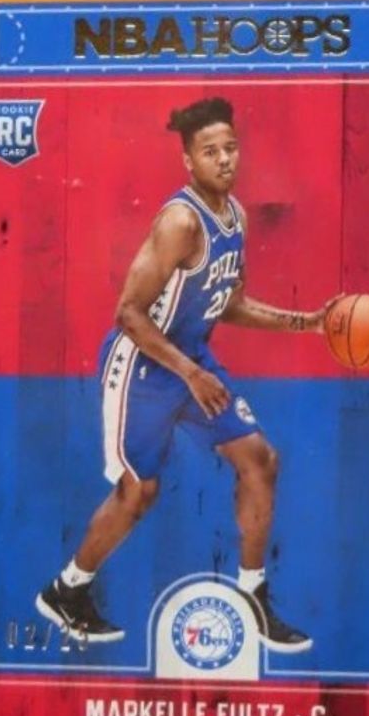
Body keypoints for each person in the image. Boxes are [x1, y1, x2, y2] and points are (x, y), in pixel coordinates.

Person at [36, 97, 339, 653]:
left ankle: (252, 594)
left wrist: (307, 322)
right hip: (143, 368)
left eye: (230, 148)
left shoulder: (235, 216)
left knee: (260, 461)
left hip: (192, 361)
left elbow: (230, 302)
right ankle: (66, 590)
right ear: (188, 161)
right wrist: (190, 374)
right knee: (138, 493)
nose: (224, 159)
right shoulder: (180, 221)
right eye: (210, 151)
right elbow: (128, 313)